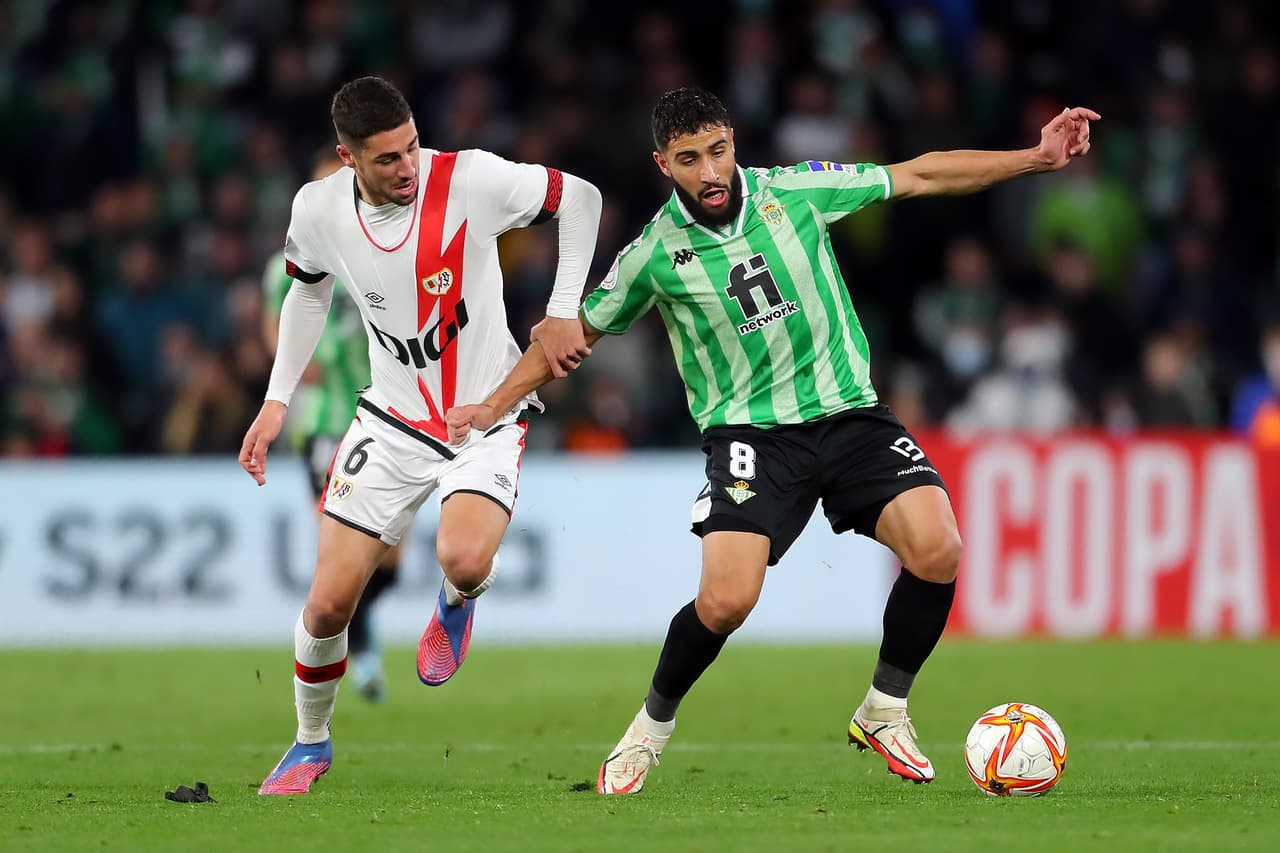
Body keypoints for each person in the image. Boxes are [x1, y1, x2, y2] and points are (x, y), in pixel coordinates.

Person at [447, 86, 1098, 794]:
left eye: (718, 151)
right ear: (664, 163)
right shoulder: (652, 254)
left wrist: (1036, 158)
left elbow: (921, 173)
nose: (710, 172)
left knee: (939, 548)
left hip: (849, 415)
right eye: (690, 159)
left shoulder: (797, 191)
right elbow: (576, 335)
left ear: (733, 141)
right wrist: (491, 404)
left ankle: (884, 707)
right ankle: (647, 732)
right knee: (727, 600)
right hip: (751, 436)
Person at [239, 76, 602, 795]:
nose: (409, 167)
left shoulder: (470, 178)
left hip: (487, 411)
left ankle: (459, 598)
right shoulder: (316, 210)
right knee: (327, 604)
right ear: (348, 158)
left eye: (411, 147)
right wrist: (277, 398)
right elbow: (307, 289)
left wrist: (564, 310)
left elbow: (582, 198)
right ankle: (310, 744)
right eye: (388, 160)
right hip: (391, 417)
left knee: (463, 559)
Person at [260, 149, 402, 703]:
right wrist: (292, 367)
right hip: (326, 424)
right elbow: (273, 326)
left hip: (392, 418)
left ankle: (352, 635)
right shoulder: (287, 264)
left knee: (388, 560)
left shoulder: (381, 252)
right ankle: (360, 657)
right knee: (344, 551)